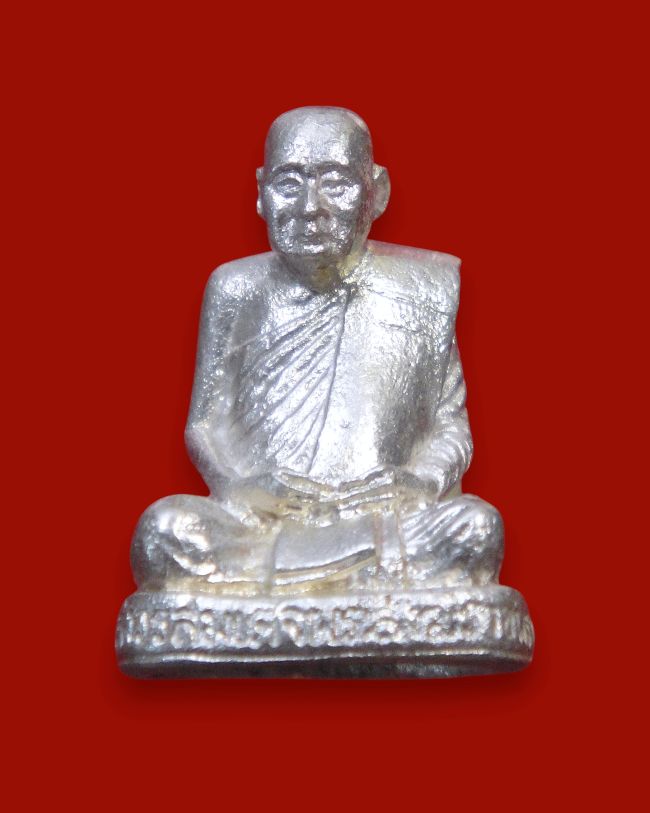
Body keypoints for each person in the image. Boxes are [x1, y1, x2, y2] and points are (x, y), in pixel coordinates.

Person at [131, 106, 503, 594]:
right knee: (163, 531)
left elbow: (450, 427)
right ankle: (353, 582)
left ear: (377, 192)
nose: (311, 207)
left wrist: (421, 484)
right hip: (263, 522)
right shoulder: (235, 288)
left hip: (380, 516)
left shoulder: (425, 289)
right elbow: (205, 425)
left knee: (476, 528)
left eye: (336, 183)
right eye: (289, 184)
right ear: (261, 192)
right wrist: (241, 487)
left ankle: (299, 582)